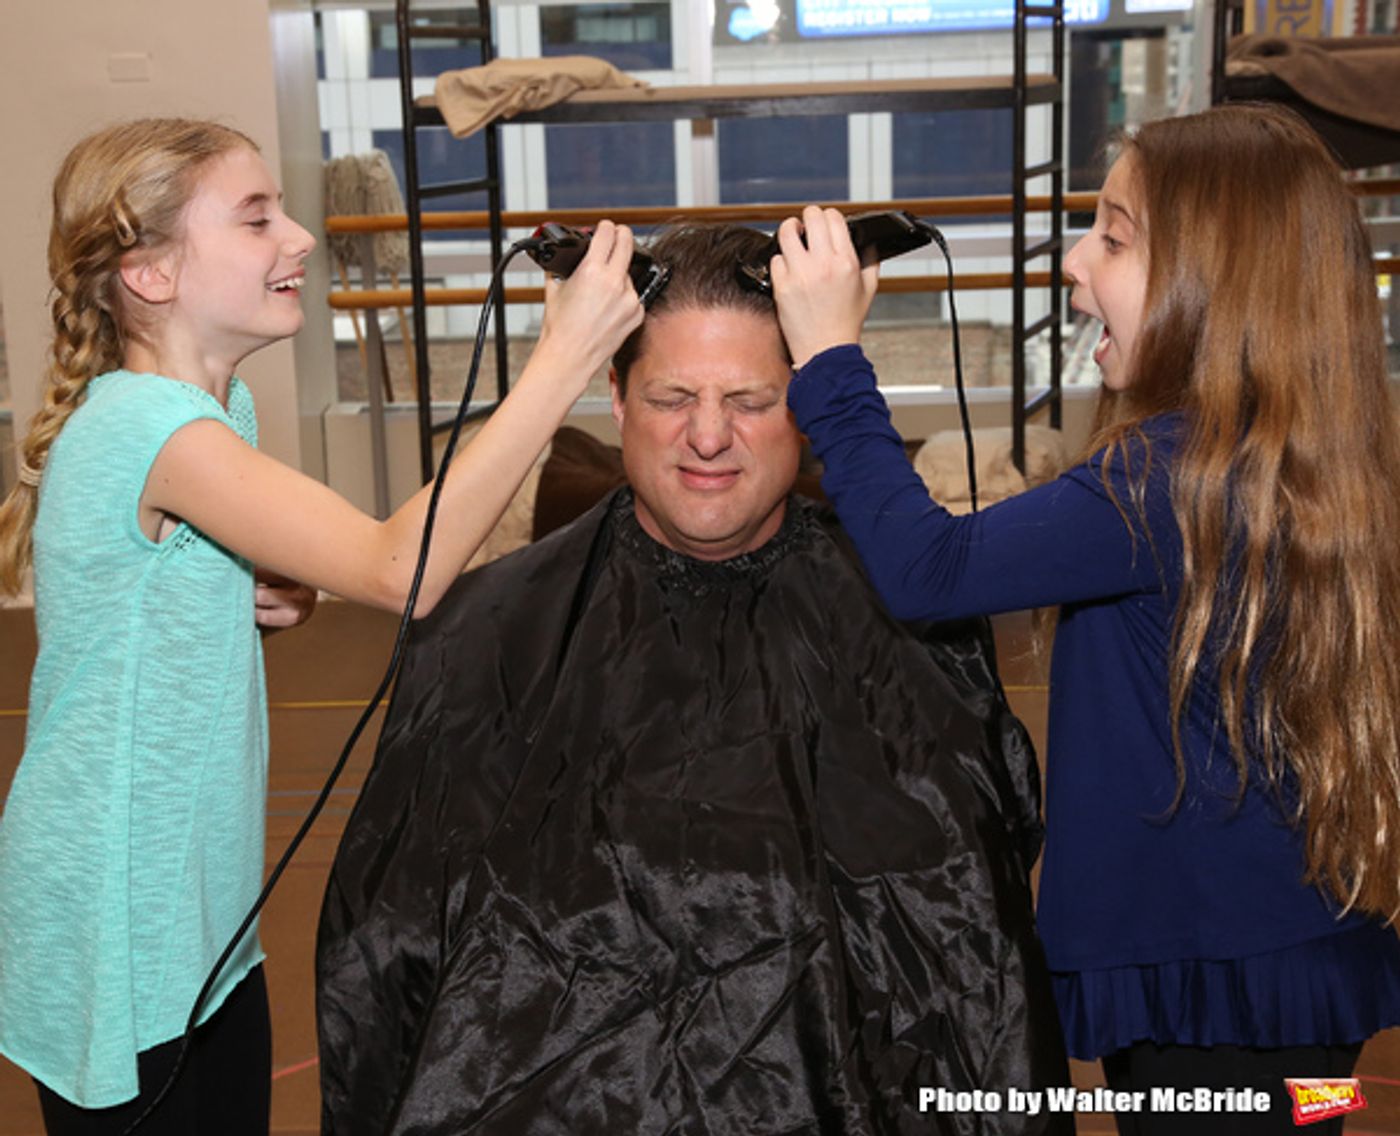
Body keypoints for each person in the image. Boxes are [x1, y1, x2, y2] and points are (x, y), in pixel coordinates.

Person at [316, 223, 1073, 1135]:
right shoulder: (482, 633)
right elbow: (386, 961)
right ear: (615, 396)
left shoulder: (915, 632)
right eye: (673, 396)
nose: (708, 437)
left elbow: (972, 966)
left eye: (751, 400)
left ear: (809, 401)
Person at [0, 117, 643, 1135]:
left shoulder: (222, 411)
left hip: (206, 923)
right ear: (152, 275)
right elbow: (401, 566)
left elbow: (193, 566)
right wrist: (559, 362)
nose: (299, 237)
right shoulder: (145, 425)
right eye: (257, 218)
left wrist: (254, 590)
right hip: (112, 936)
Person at [771, 104, 1400, 1134]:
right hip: (1288, 982)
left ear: (1216, 276)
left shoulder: (1165, 481)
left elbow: (927, 567)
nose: (1072, 259)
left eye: (1112, 234)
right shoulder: (1268, 462)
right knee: (1305, 1115)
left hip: (1215, 1000)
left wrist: (829, 362)